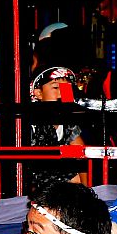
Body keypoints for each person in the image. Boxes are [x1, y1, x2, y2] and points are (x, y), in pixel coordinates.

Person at [28, 67, 87, 197]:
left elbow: (80, 152)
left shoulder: (68, 122)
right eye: (56, 87)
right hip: (33, 174)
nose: (62, 93)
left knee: (80, 177)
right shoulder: (32, 121)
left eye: (66, 88)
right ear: (39, 93)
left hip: (57, 172)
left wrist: (86, 187)